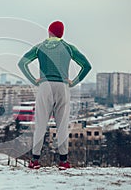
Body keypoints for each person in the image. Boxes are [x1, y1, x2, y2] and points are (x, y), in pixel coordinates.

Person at [18, 21, 91, 170]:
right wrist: (73, 82)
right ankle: (63, 161)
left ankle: (35, 160)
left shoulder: (40, 47)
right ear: (61, 33)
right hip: (63, 87)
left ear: (49, 32)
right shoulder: (69, 48)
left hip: (45, 86)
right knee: (62, 124)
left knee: (41, 124)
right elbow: (87, 66)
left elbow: (22, 63)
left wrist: (34, 80)